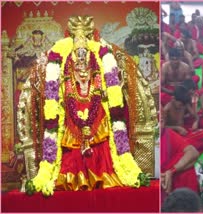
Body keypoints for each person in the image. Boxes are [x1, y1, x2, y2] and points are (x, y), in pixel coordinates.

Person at [28, 16, 145, 196]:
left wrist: (100, 94)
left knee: (102, 141)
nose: (81, 64)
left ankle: (104, 174)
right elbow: (63, 89)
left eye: (84, 55)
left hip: (96, 110)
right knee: (71, 146)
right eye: (78, 56)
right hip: (72, 111)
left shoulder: (98, 60)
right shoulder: (65, 63)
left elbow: (103, 85)